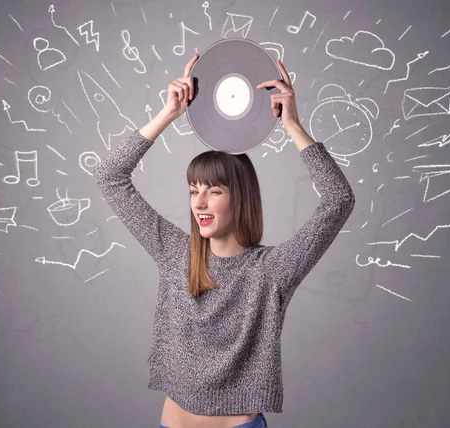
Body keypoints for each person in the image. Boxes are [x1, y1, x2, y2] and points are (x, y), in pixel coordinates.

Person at [94, 53, 356, 428]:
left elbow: (339, 200)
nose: (198, 202)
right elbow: (109, 176)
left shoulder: (273, 270)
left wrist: (293, 125)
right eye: (193, 190)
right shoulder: (174, 252)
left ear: (240, 197)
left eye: (213, 191)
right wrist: (169, 113)